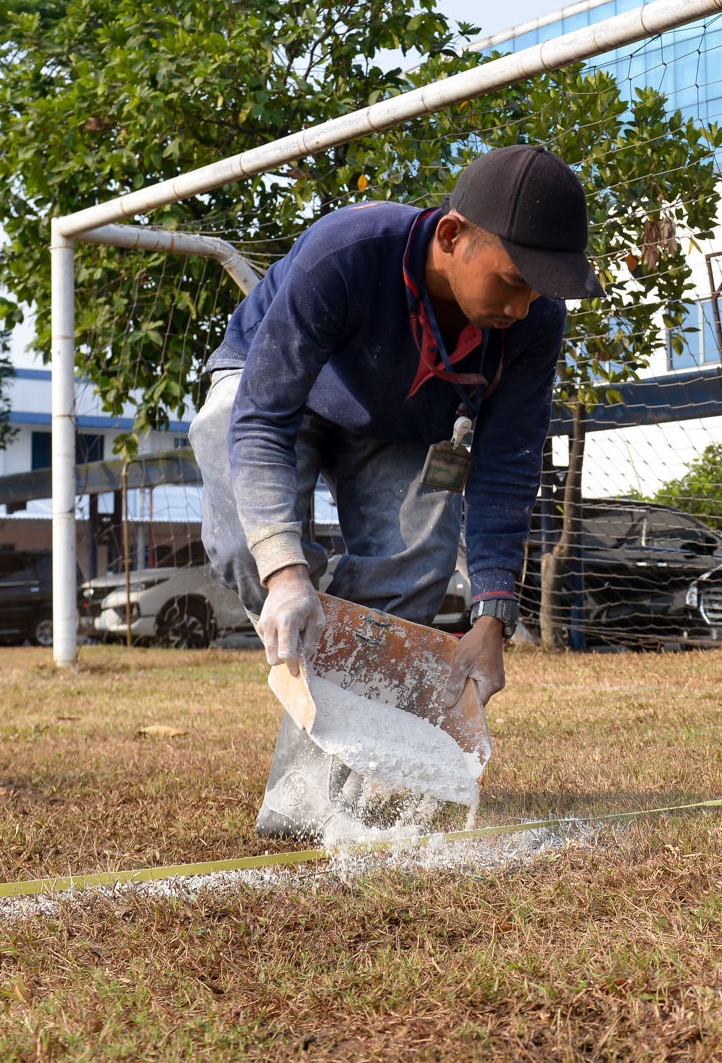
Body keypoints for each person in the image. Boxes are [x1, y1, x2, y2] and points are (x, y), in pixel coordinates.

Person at [192, 145, 602, 835]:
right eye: (511, 280)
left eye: (540, 289)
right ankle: (303, 625)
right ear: (452, 235)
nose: (524, 302)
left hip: (397, 423)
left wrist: (490, 618)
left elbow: (507, 464)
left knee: (417, 558)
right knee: (246, 535)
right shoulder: (347, 250)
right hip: (271, 390)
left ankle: (316, 795)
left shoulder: (533, 322)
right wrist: (288, 573)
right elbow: (261, 416)